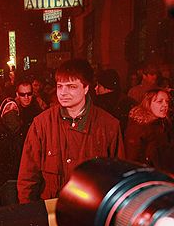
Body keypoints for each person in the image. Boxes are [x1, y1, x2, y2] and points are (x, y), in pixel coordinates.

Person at [17, 58, 125, 204]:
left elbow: (118, 180)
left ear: (86, 88)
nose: (63, 92)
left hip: (91, 213)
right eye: (60, 86)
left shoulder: (108, 126)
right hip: (52, 212)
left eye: (71, 87)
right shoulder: (41, 124)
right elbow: (27, 179)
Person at [0, 79, 44, 205]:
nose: (26, 98)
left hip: (28, 176)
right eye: (22, 94)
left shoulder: (36, 115)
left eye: (29, 94)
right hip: (8, 181)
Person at [124, 88, 174, 173]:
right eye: (160, 101)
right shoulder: (139, 128)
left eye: (167, 101)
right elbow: (132, 159)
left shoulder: (164, 124)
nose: (165, 105)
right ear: (148, 103)